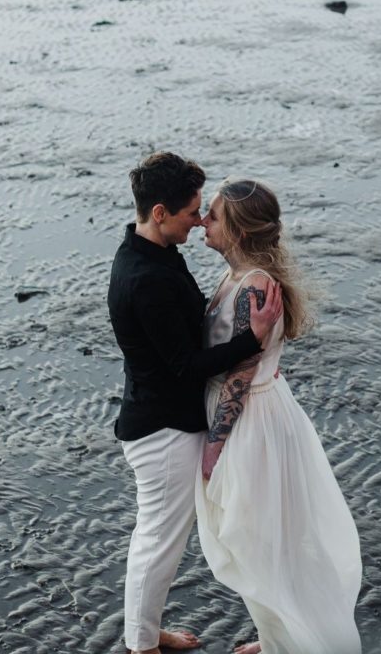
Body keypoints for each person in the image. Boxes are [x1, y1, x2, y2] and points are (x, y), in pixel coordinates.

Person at [108, 153, 284, 654]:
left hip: (162, 416)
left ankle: (144, 630)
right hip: (161, 430)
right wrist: (254, 340)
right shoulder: (148, 279)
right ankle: (142, 645)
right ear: (159, 212)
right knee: (158, 542)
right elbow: (186, 365)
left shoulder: (151, 254)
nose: (200, 220)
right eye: (192, 212)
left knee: (162, 539)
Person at [195, 178, 362, 654]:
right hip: (260, 409)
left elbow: (243, 373)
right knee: (257, 540)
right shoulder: (237, 277)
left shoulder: (253, 287)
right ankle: (275, 640)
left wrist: (214, 445)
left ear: (240, 230)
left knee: (260, 541)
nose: (203, 222)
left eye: (213, 216)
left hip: (251, 421)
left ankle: (298, 642)